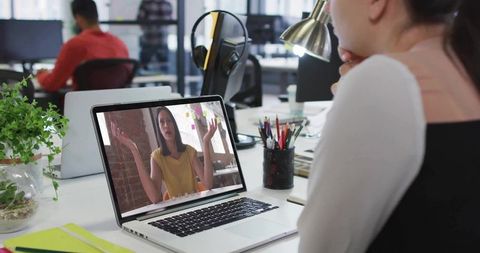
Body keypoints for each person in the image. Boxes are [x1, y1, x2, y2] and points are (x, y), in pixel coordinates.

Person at [298, 0, 480, 252]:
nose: (328, 9)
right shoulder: (466, 66)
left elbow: (320, 247)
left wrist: (355, 93)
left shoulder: (384, 81)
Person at [111, 106, 217, 203]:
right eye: (162, 122)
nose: (166, 125)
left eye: (169, 121)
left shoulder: (189, 151)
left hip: (196, 205)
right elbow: (155, 198)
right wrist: (134, 149)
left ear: (174, 125)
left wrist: (206, 142)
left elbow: (208, 184)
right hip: (176, 211)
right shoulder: (157, 157)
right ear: (159, 128)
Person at [36, 0, 129, 92]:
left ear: (78, 18)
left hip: (83, 105)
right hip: (115, 105)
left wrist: (41, 74)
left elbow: (52, 84)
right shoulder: (119, 43)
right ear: (96, 16)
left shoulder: (75, 45)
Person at [137, 0, 173, 73]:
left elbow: (140, 21)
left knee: (143, 69)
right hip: (163, 41)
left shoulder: (146, 3)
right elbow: (170, 21)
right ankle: (165, 83)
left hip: (149, 40)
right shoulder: (167, 4)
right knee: (164, 70)